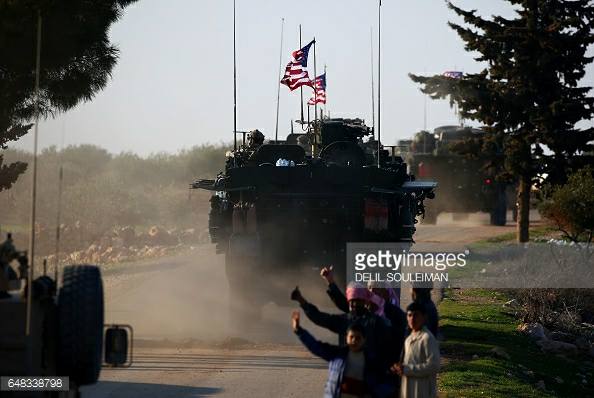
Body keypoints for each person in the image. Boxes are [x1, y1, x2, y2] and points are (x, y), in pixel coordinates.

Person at [290, 284, 393, 371]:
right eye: (351, 301)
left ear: (365, 302)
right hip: (346, 370)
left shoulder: (376, 322)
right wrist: (302, 301)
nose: (353, 304)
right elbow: (320, 318)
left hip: (370, 372)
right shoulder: (345, 321)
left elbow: (387, 348)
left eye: (357, 300)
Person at [292, 311, 392, 398]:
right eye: (351, 337)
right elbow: (316, 346)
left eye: (358, 338)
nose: (354, 340)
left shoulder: (371, 360)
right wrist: (299, 331)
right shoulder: (337, 355)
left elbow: (382, 383)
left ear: (364, 340)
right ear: (346, 338)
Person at [390, 302, 440, 398]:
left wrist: (408, 369)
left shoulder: (427, 338)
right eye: (409, 315)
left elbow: (434, 365)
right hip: (408, 390)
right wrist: (399, 369)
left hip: (423, 391)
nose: (412, 319)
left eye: (416, 315)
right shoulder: (408, 339)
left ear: (424, 317)